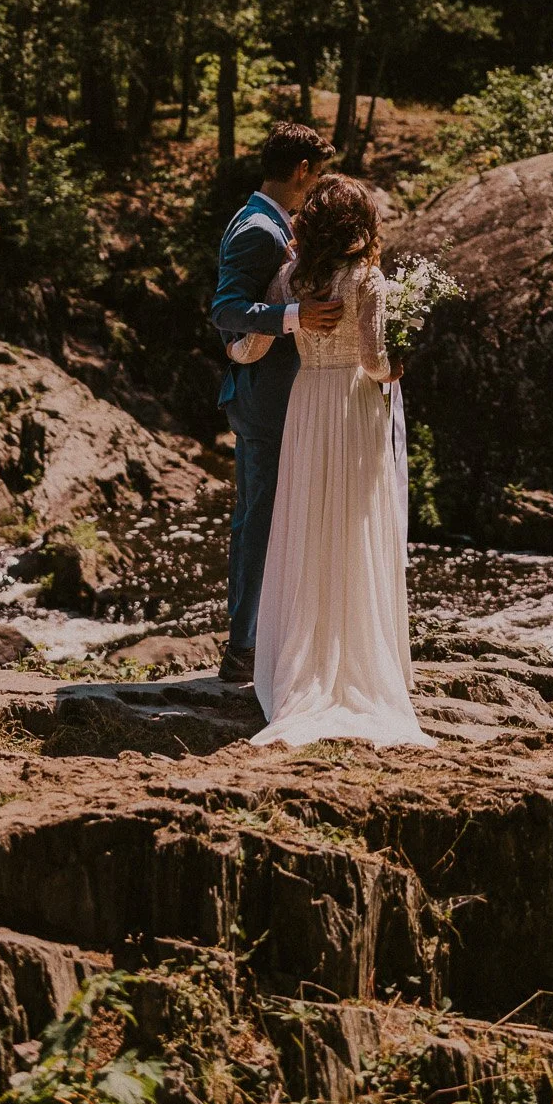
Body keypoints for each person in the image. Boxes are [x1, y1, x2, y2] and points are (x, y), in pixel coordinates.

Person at [250, 174, 431, 748]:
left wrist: (232, 346)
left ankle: (303, 659)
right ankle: (358, 658)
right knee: (355, 525)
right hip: (353, 406)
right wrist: (397, 367)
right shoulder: (369, 280)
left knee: (309, 520)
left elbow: (254, 344)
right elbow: (376, 361)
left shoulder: (290, 277)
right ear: (362, 223)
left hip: (309, 401)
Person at [211, 121, 338, 685]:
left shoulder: (264, 220)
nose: (317, 186)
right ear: (302, 171)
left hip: (280, 400)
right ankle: (242, 650)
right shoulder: (259, 230)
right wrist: (295, 318)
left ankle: (267, 642)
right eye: (318, 175)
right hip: (266, 403)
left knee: (269, 520)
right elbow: (225, 311)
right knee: (258, 522)